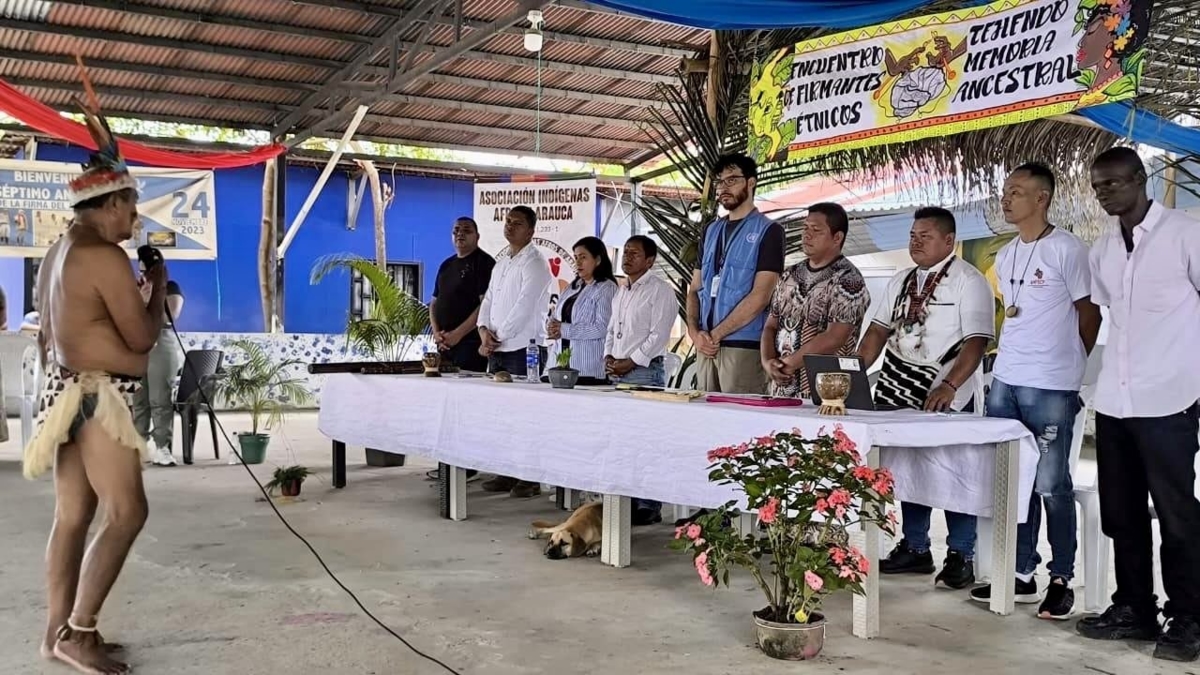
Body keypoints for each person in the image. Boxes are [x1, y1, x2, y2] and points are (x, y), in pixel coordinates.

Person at [22, 96, 165, 675]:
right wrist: (155, 284)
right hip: (98, 397)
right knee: (128, 512)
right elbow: (140, 341)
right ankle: (78, 634)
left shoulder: (57, 253)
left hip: (63, 396)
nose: (135, 221)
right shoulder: (104, 255)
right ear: (110, 204)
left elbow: (48, 334)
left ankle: (55, 632)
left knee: (74, 516)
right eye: (131, 208)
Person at [1076, 147, 1200, 662]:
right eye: (1098, 185)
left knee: (1176, 514)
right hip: (1115, 400)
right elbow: (1111, 315)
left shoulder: (1186, 233)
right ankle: (1134, 608)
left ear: (1139, 179)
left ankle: (1189, 617)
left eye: (1114, 183)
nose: (1105, 192)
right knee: (1121, 512)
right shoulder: (1102, 248)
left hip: (1170, 396)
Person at [967, 163, 1100, 619]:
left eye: (1017, 192)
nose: (1006, 199)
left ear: (1042, 198)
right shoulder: (1004, 256)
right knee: (1013, 479)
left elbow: (1090, 315)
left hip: (1051, 384)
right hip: (1006, 377)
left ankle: (1062, 577)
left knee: (1050, 482)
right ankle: (1022, 572)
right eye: (1005, 191)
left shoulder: (1067, 250)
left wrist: (1070, 368)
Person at [856, 206, 994, 590]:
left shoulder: (969, 281)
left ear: (949, 241)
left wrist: (949, 386)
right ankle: (916, 547)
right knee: (908, 469)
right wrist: (849, 377)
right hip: (898, 383)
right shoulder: (900, 280)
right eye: (913, 236)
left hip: (947, 388)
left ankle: (961, 554)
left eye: (926, 236)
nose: (916, 242)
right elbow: (876, 334)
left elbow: (976, 342)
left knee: (955, 471)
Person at [687, 153, 784, 394]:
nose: (723, 188)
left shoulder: (769, 231)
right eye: (720, 182)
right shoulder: (711, 230)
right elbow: (695, 289)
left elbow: (761, 295)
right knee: (705, 422)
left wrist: (716, 334)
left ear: (751, 183)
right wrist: (695, 333)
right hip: (705, 346)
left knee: (740, 424)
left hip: (743, 346)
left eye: (732, 180)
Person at [477, 205, 552, 499]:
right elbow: (489, 299)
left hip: (524, 350)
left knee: (524, 418)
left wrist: (496, 337)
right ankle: (506, 473)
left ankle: (529, 478)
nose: (510, 227)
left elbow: (524, 307)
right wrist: (484, 330)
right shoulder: (503, 261)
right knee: (500, 418)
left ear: (531, 231)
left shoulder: (535, 263)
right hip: (496, 348)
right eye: (507, 222)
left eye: (517, 223)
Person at [603, 235, 678, 526]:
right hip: (618, 371)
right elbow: (612, 328)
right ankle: (629, 500)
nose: (627, 257)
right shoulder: (622, 290)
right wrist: (609, 356)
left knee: (646, 440)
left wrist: (630, 362)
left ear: (650, 260)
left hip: (644, 372)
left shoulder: (660, 291)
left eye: (635, 253)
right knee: (622, 439)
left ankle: (650, 504)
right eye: (626, 252)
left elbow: (658, 335)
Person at [761, 202, 869, 399]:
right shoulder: (790, 275)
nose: (806, 235)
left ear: (837, 237)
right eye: (805, 228)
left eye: (816, 230)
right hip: (781, 388)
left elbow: (835, 337)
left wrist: (789, 364)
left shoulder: (848, 279)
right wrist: (768, 361)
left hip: (825, 393)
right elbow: (770, 325)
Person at [545, 236, 618, 384]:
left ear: (597, 260)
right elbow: (556, 315)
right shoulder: (572, 287)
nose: (578, 262)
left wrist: (564, 329)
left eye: (583, 257)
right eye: (576, 257)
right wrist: (551, 326)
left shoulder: (607, 288)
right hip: (559, 364)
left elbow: (602, 328)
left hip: (587, 369)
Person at [132, 269, 184, 467]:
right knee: (138, 399)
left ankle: (162, 447)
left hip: (161, 343)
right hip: (137, 344)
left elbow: (169, 316)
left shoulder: (170, 288)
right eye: (143, 268)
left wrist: (147, 301)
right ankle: (138, 445)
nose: (145, 273)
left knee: (160, 398)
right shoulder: (133, 289)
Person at [430, 216, 495, 374]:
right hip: (443, 344)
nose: (460, 234)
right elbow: (433, 302)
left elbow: (485, 306)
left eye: (466, 231)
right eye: (456, 230)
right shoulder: (446, 265)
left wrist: (457, 334)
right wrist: (437, 333)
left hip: (470, 344)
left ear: (477, 236)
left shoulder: (484, 263)